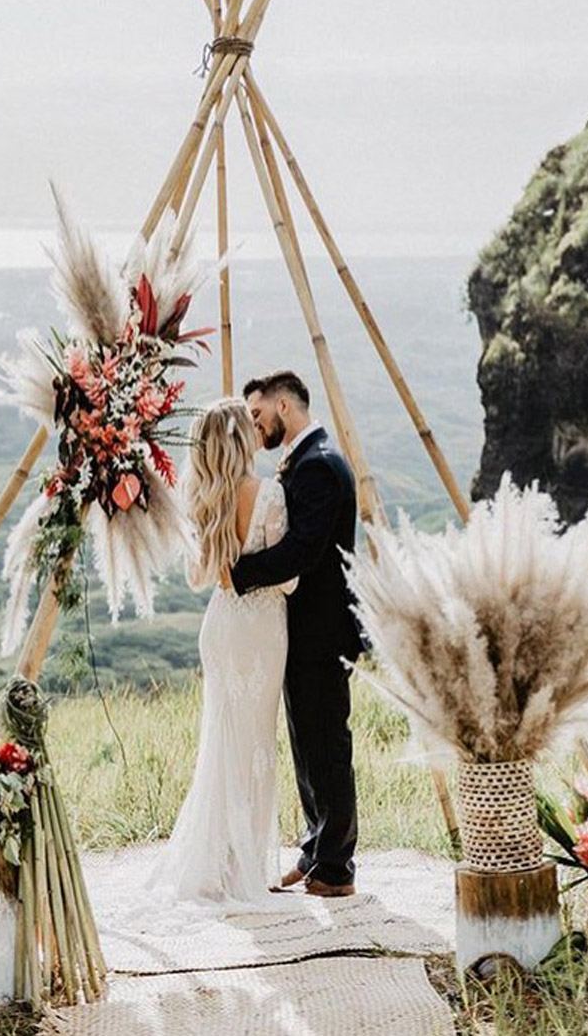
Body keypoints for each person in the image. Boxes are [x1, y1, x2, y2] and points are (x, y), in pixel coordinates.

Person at [145, 396, 297, 907]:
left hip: (220, 627)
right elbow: (291, 581)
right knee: (256, 745)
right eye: (249, 426)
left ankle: (219, 863)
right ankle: (245, 867)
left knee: (221, 740)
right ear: (240, 439)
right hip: (261, 631)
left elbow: (198, 577)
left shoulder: (200, 497)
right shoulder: (270, 495)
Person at [228, 370, 361, 896]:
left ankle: (336, 867)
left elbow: (302, 550)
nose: (256, 429)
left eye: (259, 416)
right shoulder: (306, 459)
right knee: (307, 743)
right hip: (300, 629)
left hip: (323, 631)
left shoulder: (321, 465)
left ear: (284, 405)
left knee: (328, 745)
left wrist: (238, 574)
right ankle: (315, 849)